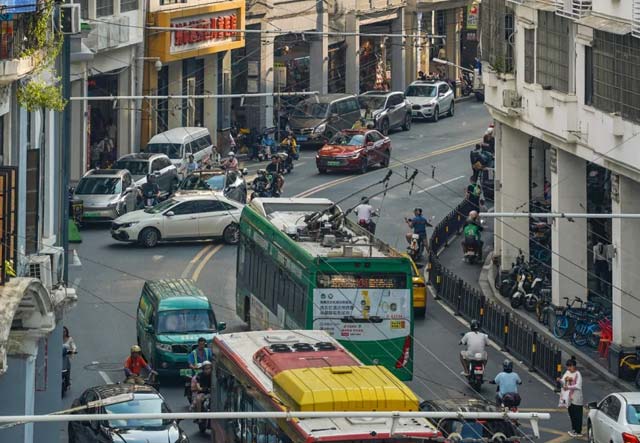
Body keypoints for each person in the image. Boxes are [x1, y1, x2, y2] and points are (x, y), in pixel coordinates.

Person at [558, 356, 583, 437]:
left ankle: (578, 431)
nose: (568, 368)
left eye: (570, 367)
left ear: (573, 366)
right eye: (568, 367)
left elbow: (578, 386)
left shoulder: (578, 374)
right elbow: (563, 381)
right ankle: (574, 429)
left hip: (576, 398)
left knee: (577, 415)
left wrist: (568, 387)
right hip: (568, 398)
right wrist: (560, 380)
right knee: (571, 414)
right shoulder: (567, 372)